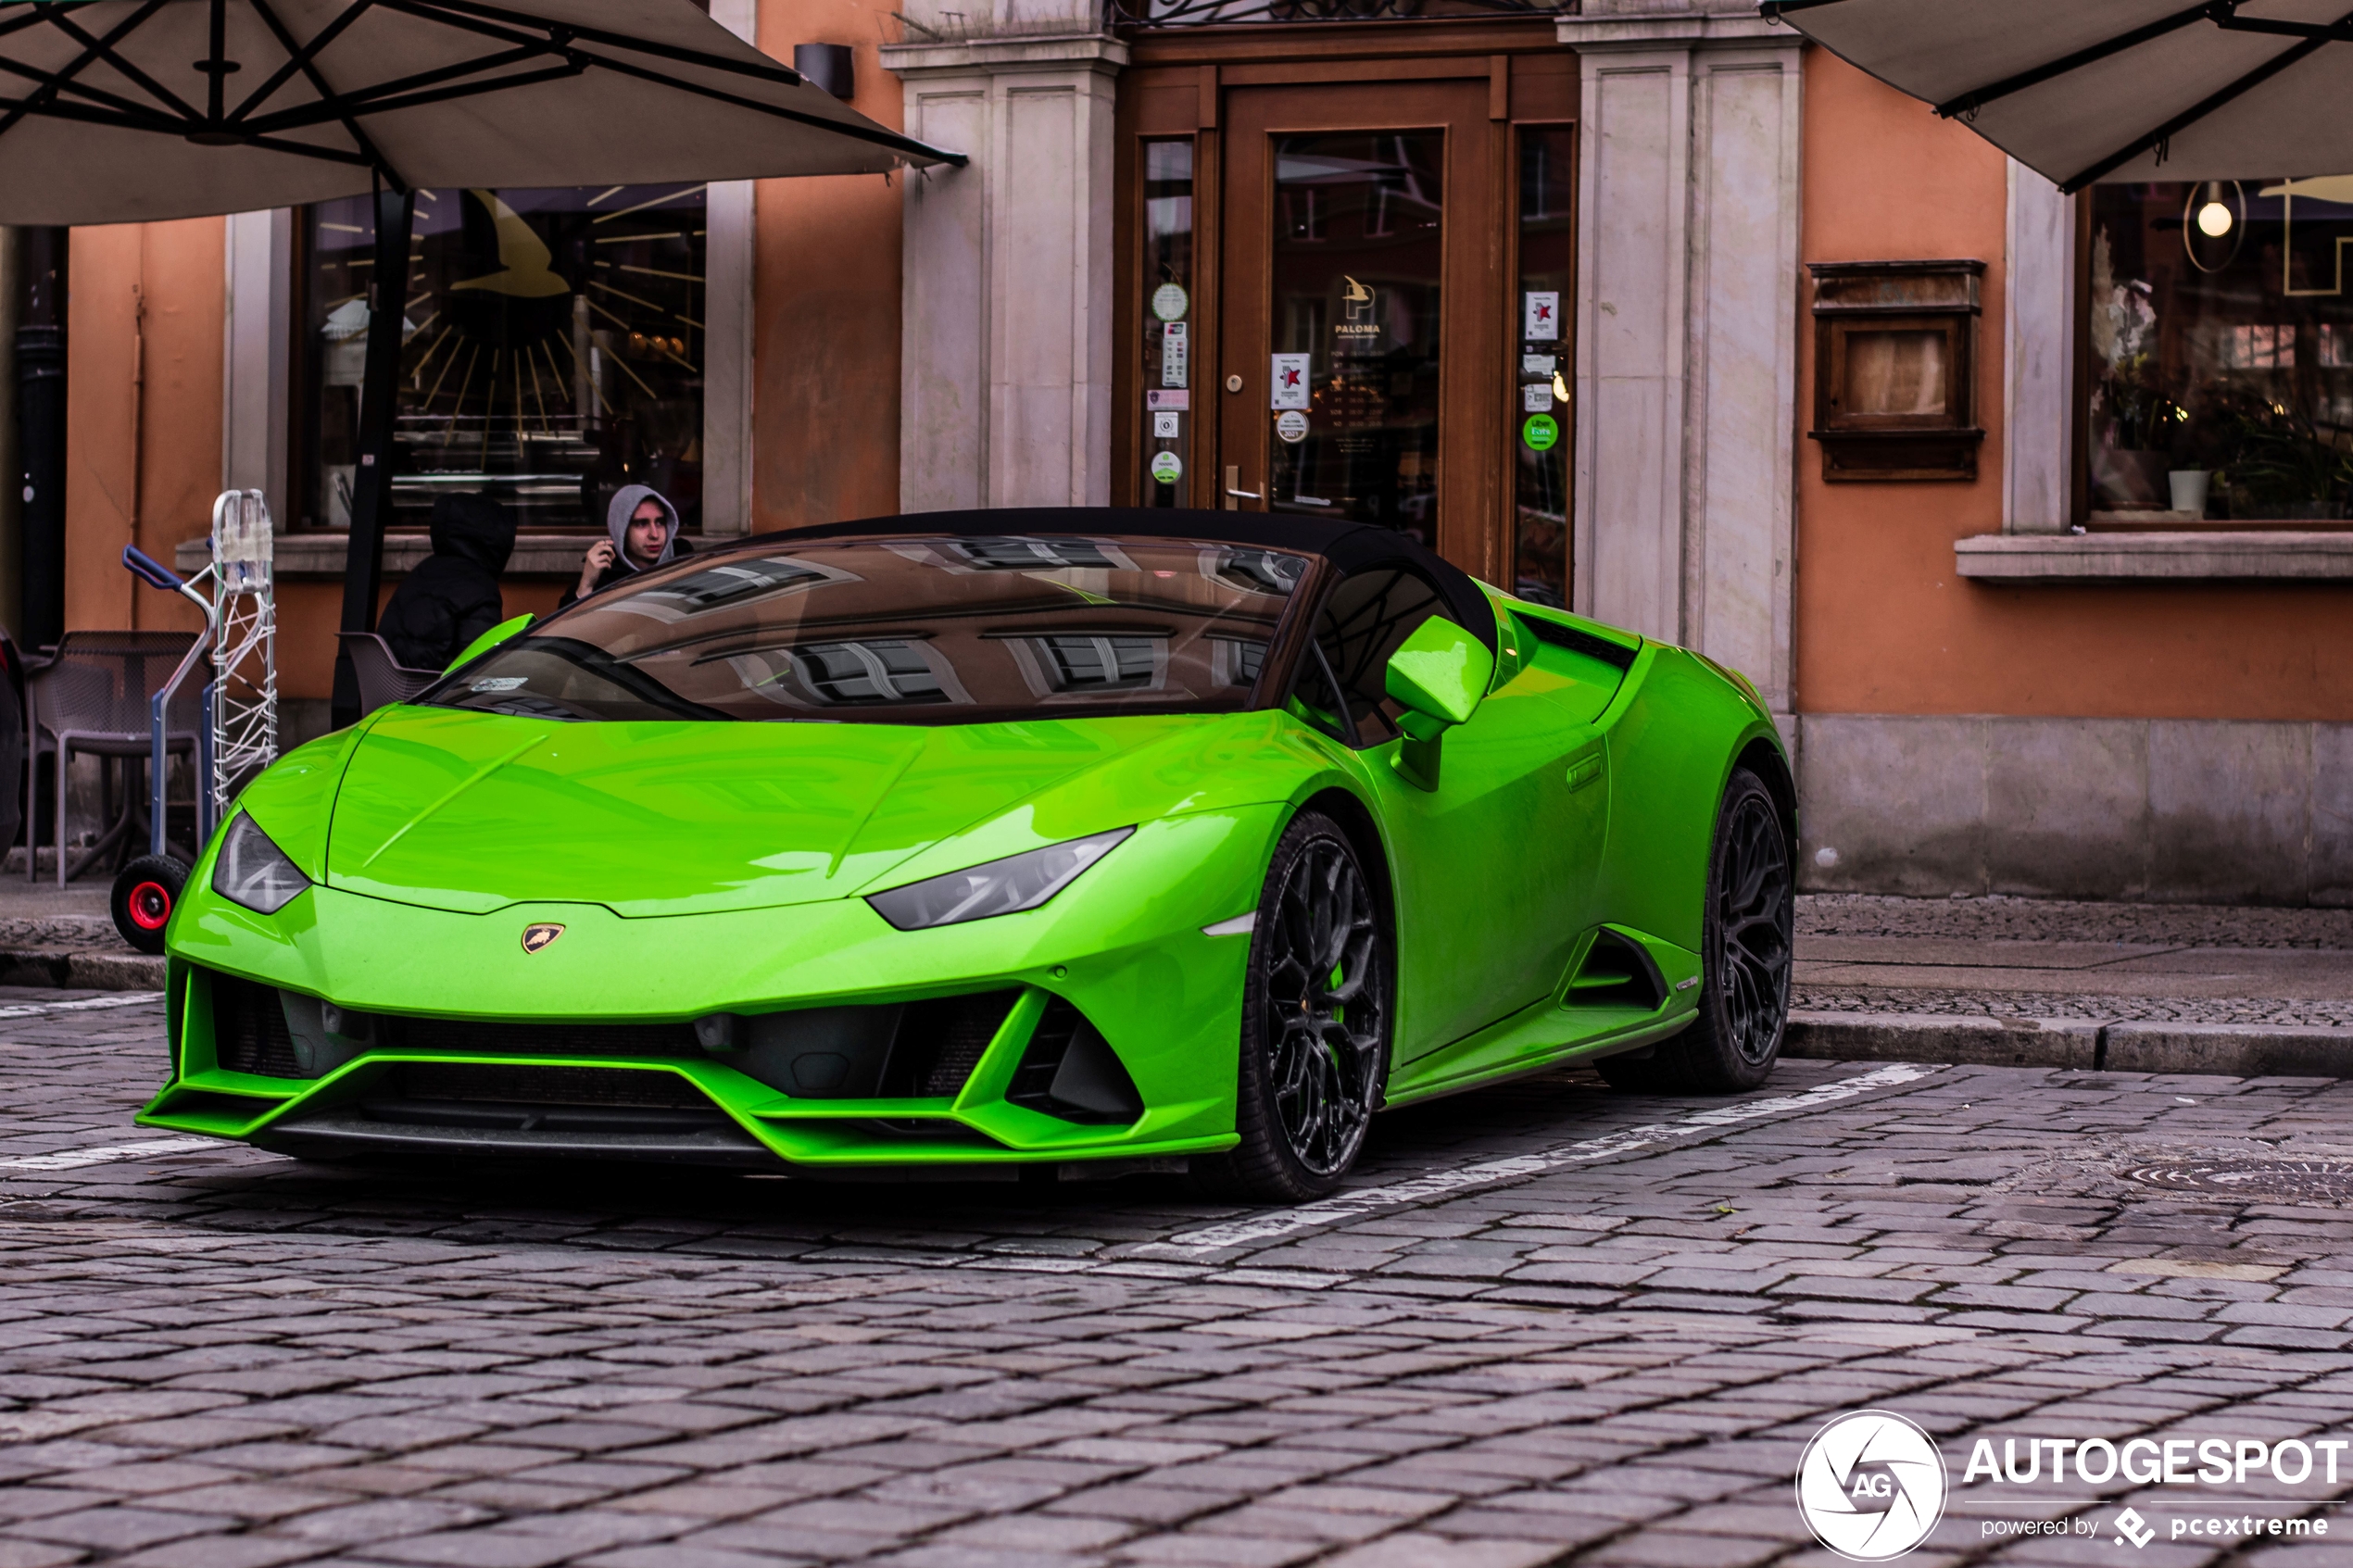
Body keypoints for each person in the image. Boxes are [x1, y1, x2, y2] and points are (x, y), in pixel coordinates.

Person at [374, 493, 516, 671]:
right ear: (497, 541)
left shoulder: (424, 570)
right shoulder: (481, 587)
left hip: (387, 684)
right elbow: (476, 664)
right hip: (432, 691)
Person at [561, 484, 691, 607]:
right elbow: (563, 628)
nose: (654, 534)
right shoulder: (604, 576)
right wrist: (586, 586)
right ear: (621, 531)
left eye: (660, 522)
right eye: (641, 524)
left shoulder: (685, 560)